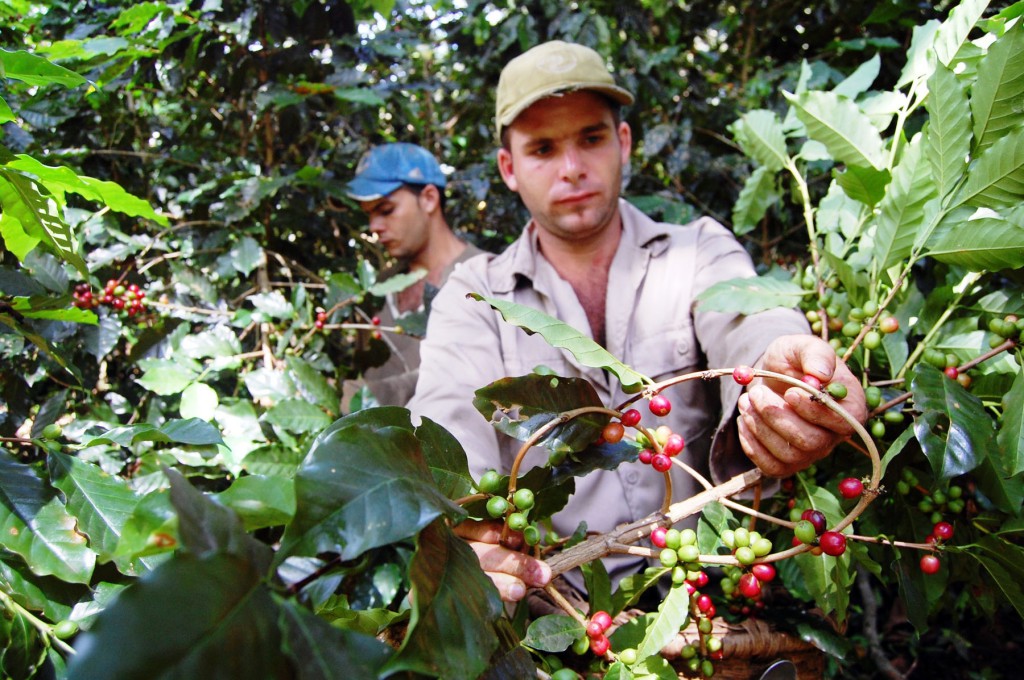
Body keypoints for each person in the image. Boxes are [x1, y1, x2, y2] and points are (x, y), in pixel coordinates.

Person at [407, 41, 866, 603]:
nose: (572, 169)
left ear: (622, 142)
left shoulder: (698, 250)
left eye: (591, 138)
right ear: (509, 168)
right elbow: (447, 415)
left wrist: (784, 376)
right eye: (543, 149)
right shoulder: (476, 296)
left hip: (710, 595)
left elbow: (750, 319)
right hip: (559, 610)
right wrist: (464, 525)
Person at [342, 142, 486, 408]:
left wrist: (356, 397)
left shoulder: (486, 280)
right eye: (369, 214)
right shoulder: (380, 287)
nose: (375, 226)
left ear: (429, 198)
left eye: (386, 210)